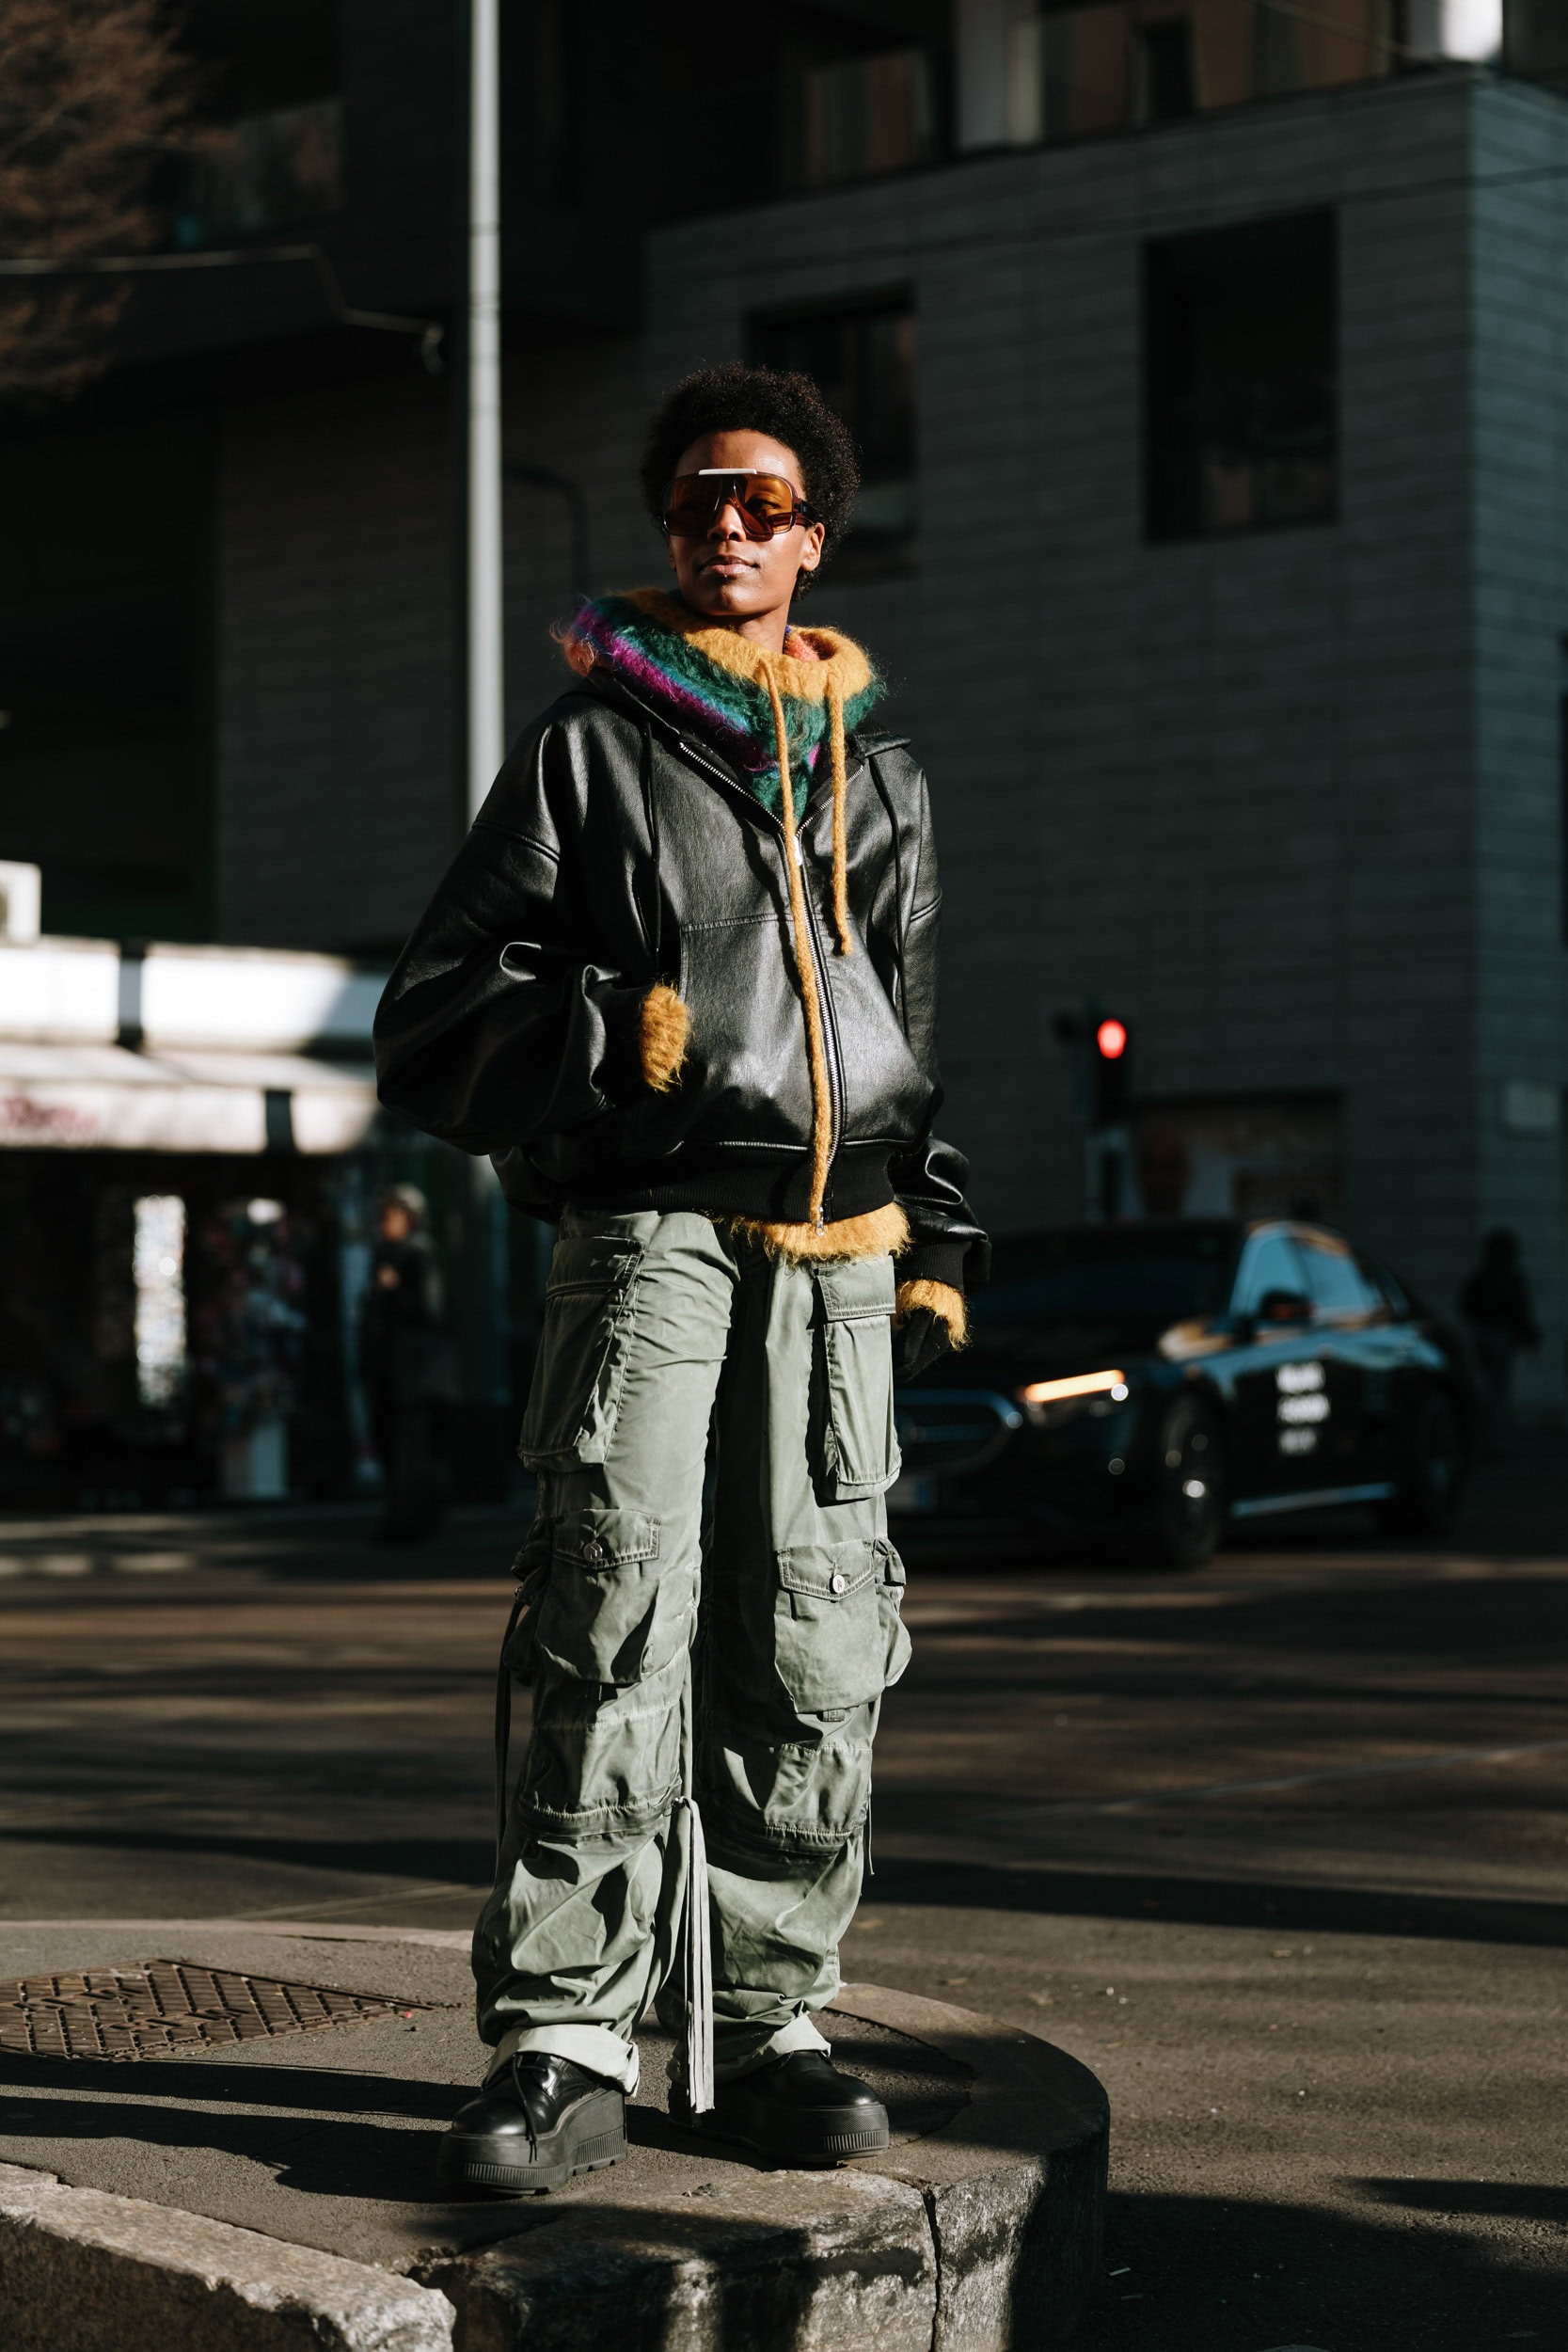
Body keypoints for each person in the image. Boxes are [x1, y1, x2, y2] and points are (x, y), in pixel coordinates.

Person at [374, 363, 986, 2192]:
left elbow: (902, 1037)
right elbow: (430, 1018)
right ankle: (565, 2035)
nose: (730, 522)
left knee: (814, 1629)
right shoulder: (589, 748)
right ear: (667, 523)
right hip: (645, 1236)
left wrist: (938, 1235)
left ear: (817, 537)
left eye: (765, 500)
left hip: (837, 1261)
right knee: (613, 1609)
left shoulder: (882, 774)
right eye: (702, 495)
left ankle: (771, 2017)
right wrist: (601, 1028)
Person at [357, 1184, 454, 1539]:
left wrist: (394, 1289)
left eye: (391, 1215)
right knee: (392, 1445)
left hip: (414, 1375)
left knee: (411, 1449)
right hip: (392, 1371)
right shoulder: (387, 1253)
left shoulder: (418, 1254)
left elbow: (430, 1310)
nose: (384, 1222)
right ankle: (401, 1513)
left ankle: (413, 1518)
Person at [1459, 1228, 1539, 1454]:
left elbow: (1465, 1306)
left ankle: (1486, 1438)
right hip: (1499, 1337)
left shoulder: (1481, 1277)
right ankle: (1493, 1440)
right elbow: (1520, 1310)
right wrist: (1527, 1334)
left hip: (1485, 1335)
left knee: (1489, 1389)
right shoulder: (1509, 1278)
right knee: (1497, 1391)